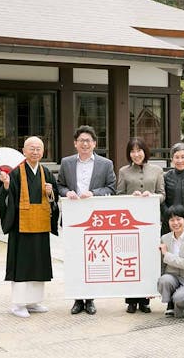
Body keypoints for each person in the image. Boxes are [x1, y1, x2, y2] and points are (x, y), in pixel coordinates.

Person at [0, 136, 59, 318]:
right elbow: (0, 196)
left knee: (39, 264)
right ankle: (18, 304)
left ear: (43, 152)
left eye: (38, 149)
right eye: (31, 148)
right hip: (21, 227)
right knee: (22, 265)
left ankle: (34, 301)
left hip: (40, 225)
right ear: (23, 151)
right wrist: (5, 185)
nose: (35, 152)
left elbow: (54, 200)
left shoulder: (46, 172)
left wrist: (51, 193)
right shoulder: (14, 172)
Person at [57, 125, 116, 316]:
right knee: (74, 258)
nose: (84, 143)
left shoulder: (105, 164)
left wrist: (93, 193)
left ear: (94, 144)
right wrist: (68, 192)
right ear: (75, 143)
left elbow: (111, 188)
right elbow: (60, 186)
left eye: (88, 140)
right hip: (73, 218)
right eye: (81, 140)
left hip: (95, 219)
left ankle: (90, 299)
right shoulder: (66, 163)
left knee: (92, 258)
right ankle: (77, 299)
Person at [117, 137, 165, 313]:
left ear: (145, 151)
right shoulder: (123, 171)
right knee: (130, 259)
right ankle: (131, 300)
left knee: (147, 259)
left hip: (151, 222)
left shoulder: (157, 170)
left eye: (139, 150)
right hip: (130, 223)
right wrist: (132, 197)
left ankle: (145, 300)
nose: (136, 154)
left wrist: (151, 196)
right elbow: (119, 194)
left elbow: (162, 194)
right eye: (132, 151)